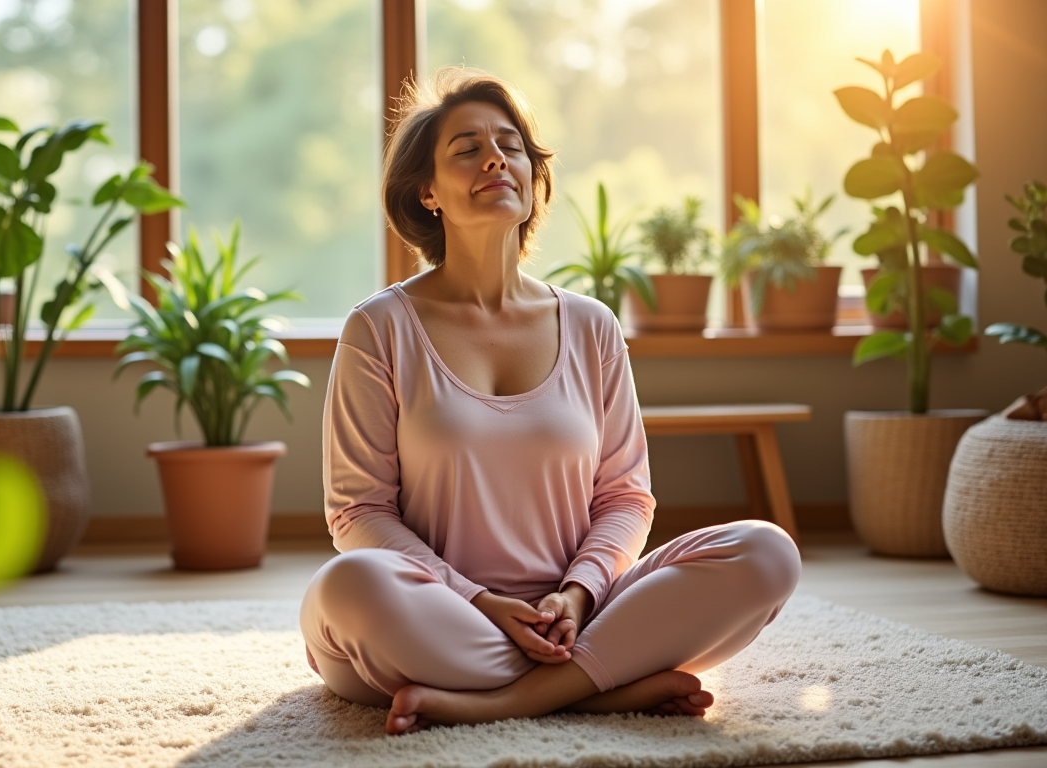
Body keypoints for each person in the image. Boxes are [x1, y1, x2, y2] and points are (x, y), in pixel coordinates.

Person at [299, 68, 801, 736]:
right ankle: (596, 687)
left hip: (581, 612)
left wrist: (578, 591)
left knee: (767, 552)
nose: (495, 158)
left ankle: (505, 700)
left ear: (533, 179)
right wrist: (478, 600)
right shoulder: (380, 327)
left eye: (510, 145)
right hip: (435, 614)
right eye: (467, 148)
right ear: (427, 193)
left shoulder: (590, 325)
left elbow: (626, 498)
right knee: (348, 587)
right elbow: (358, 511)